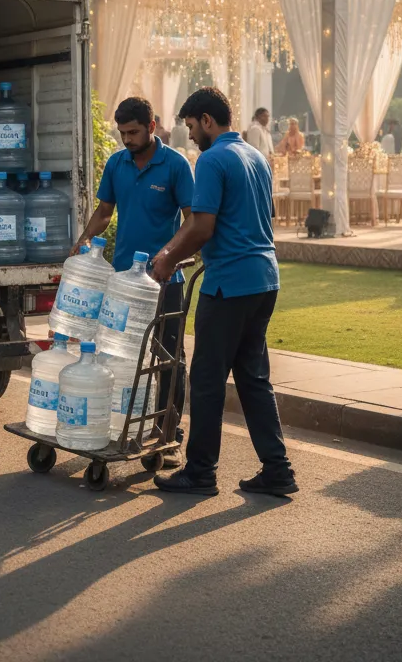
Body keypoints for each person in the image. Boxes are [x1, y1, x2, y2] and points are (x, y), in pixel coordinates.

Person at [150, 87, 295, 498]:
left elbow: (201, 225)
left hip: (229, 285)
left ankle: (199, 472)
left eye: (193, 127)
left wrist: (165, 259)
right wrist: (198, 253)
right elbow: (250, 220)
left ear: (208, 121)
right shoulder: (256, 157)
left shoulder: (212, 160)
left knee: (209, 380)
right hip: (264, 280)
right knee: (253, 378)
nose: (191, 136)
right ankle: (277, 469)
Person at [72, 96, 194, 462]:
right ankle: (123, 424)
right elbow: (104, 213)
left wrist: (168, 257)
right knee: (122, 357)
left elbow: (192, 220)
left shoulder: (175, 165)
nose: (126, 139)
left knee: (169, 357)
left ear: (152, 127)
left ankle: (168, 431)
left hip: (165, 282)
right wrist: (81, 243)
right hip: (124, 283)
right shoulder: (116, 163)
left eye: (133, 132)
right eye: (122, 132)